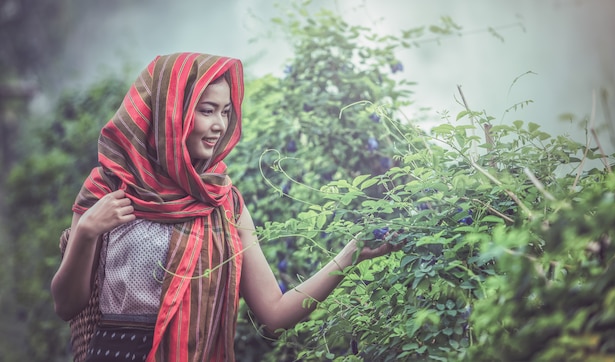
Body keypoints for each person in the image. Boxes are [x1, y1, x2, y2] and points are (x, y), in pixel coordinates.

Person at [51, 52, 400, 362]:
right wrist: (85, 232)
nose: (219, 125)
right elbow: (67, 305)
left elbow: (274, 314)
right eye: (206, 111)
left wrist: (351, 254)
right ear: (171, 113)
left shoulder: (224, 202)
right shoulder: (110, 185)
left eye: (225, 112)